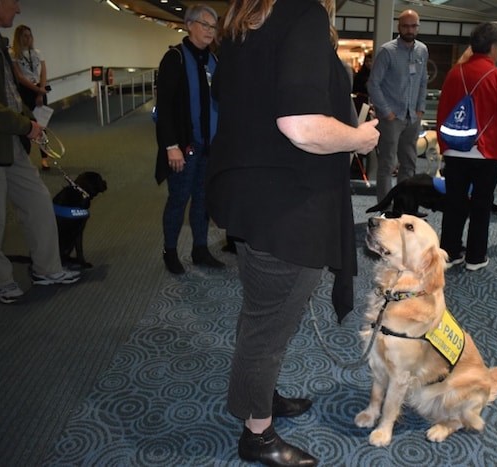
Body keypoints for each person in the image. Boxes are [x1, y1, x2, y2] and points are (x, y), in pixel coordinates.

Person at [206, 0, 379, 465]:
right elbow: (300, 126)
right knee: (270, 325)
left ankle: (256, 399)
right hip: (287, 206)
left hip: (250, 201)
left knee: (260, 314)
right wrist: (358, 138)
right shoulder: (302, 14)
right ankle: (257, 434)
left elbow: (235, 98)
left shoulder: (244, 23)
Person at [0, 0, 80, 304]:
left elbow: (9, 91)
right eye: (14, 2)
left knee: (38, 200)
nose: (17, 10)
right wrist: (25, 125)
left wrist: (28, 117)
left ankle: (47, 268)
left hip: (11, 137)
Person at [436, 22, 497, 271]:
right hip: (486, 152)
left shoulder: (454, 73)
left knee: (454, 204)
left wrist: (443, 145)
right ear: (493, 47)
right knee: (481, 205)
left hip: (455, 149)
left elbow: (442, 112)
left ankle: (450, 251)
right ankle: (475, 257)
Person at [154, 4, 223, 275]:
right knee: (178, 200)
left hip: (209, 148)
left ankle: (200, 249)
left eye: (213, 26)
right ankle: (169, 251)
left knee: (203, 201)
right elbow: (165, 109)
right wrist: (171, 146)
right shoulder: (175, 58)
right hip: (184, 148)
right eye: (205, 25)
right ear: (189, 24)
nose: (210, 31)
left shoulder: (214, 61)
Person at [367, 9, 428, 202]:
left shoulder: (422, 50)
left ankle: (405, 206)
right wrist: (386, 111)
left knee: (409, 164)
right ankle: (384, 209)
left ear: (418, 27)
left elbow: (422, 81)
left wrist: (420, 108)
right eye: (405, 26)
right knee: (387, 164)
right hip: (391, 118)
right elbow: (373, 83)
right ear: (398, 27)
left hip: (412, 117)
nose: (409, 30)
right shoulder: (387, 51)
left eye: (413, 26)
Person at [11, 24, 49, 170]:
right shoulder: (13, 54)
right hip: (25, 92)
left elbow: (43, 72)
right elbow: (19, 77)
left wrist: (40, 91)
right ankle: (25, 158)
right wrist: (37, 90)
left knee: (42, 126)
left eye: (29, 36)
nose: (28, 39)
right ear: (18, 37)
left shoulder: (37, 52)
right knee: (26, 126)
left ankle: (45, 158)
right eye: (24, 36)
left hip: (39, 89)